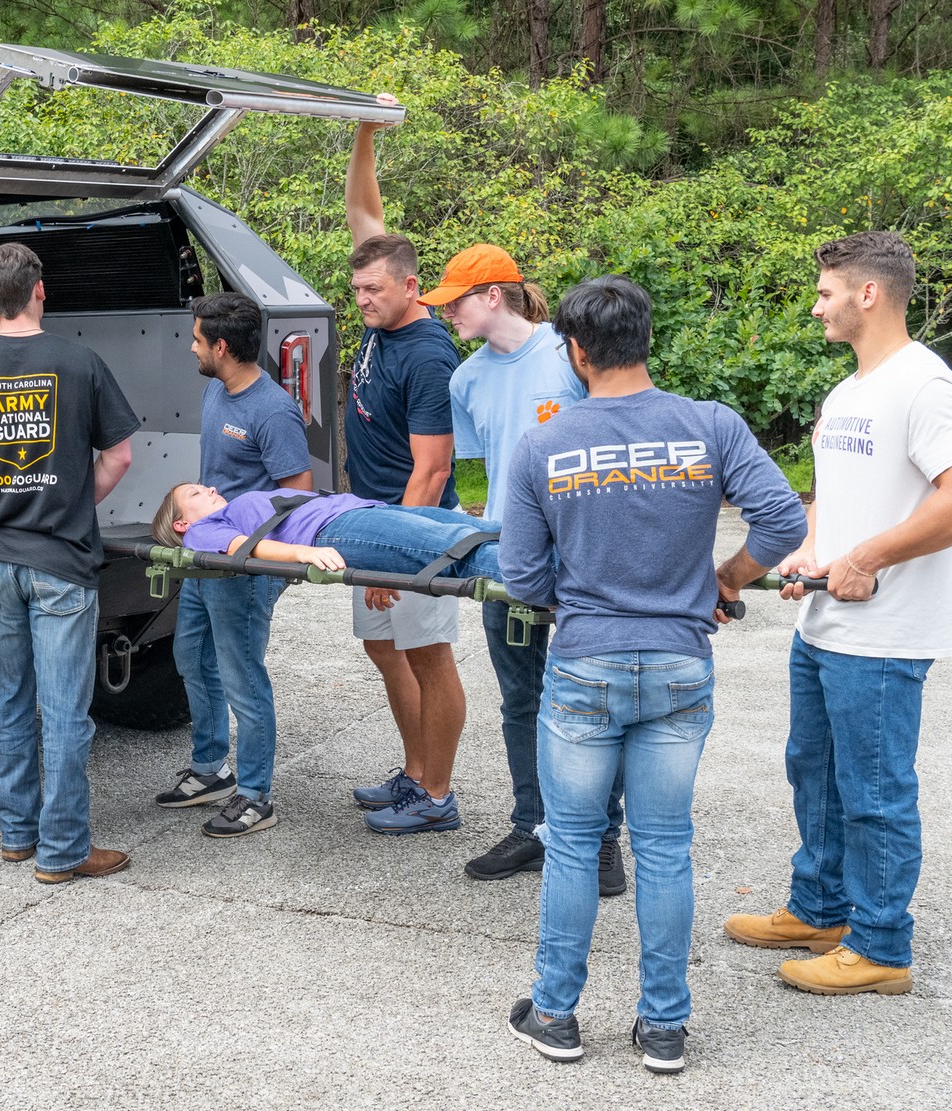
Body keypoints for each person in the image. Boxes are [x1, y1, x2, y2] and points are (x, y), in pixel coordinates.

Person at [498, 276, 808, 1074]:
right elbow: (783, 519)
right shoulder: (710, 424)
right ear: (645, 338)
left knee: (571, 845)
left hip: (585, 664)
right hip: (679, 664)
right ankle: (664, 1027)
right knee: (666, 847)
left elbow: (525, 580)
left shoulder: (544, 443)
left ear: (574, 351)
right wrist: (725, 579)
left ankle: (557, 1014)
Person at [723, 231, 952, 996]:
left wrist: (868, 558)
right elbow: (834, 501)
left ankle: (880, 947)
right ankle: (820, 909)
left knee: (874, 791)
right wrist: (813, 551)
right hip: (827, 624)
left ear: (867, 294)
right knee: (812, 770)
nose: (816, 307)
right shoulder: (848, 392)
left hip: (886, 631)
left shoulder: (927, 386)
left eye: (824, 293)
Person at [0, 242, 140, 885]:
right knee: (66, 712)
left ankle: (18, 836)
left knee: (10, 701)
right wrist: (72, 502)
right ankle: (64, 851)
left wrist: (2, 498)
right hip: (61, 561)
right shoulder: (80, 364)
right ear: (41, 290)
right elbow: (120, 458)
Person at [432, 242, 629, 895]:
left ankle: (601, 838)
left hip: (582, 557)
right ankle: (532, 825)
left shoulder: (568, 353)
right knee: (522, 697)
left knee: (590, 700)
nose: (445, 314)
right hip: (508, 556)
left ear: (494, 295)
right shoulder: (466, 379)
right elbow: (487, 472)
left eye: (454, 301)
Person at [340, 114, 467, 836]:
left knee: (427, 652)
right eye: (356, 290)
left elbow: (434, 467)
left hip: (414, 530)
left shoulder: (426, 353)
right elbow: (364, 212)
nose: (361, 300)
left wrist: (399, 555)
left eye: (373, 292)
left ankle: (438, 795)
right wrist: (366, 132)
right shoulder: (381, 316)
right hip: (371, 520)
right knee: (384, 647)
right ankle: (415, 773)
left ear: (411, 286)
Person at [157, 293, 313, 837]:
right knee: (191, 657)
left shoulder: (272, 410)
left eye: (197, 339)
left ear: (221, 347)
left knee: (242, 676)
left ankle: (255, 795)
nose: (191, 346)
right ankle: (209, 769)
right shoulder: (215, 390)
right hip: (203, 559)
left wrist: (264, 565)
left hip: (242, 569)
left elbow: (298, 496)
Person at [151, 483, 517, 584]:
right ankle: (558, 581)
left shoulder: (227, 510)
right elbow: (244, 550)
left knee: (473, 528)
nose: (211, 489)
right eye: (196, 494)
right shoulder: (201, 532)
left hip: (361, 510)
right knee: (452, 548)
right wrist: (301, 554)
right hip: (332, 531)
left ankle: (570, 551)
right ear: (181, 523)